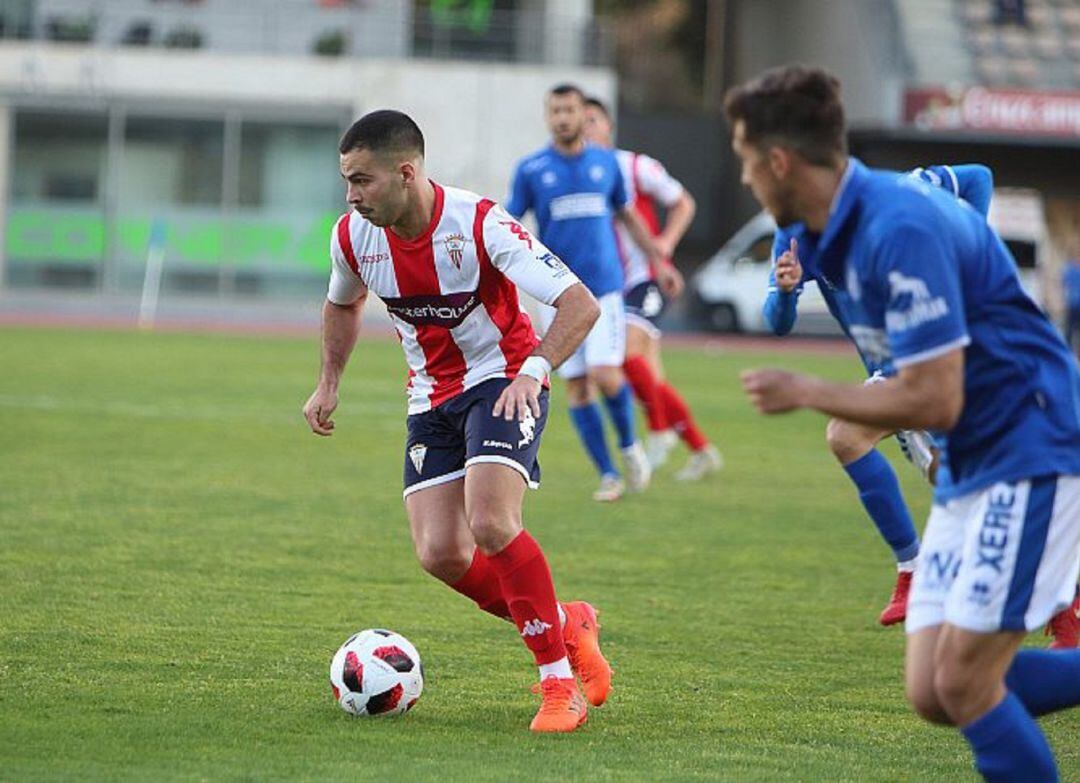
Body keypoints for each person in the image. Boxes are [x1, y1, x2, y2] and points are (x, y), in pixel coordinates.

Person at [729, 65, 1080, 781]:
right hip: (972, 459)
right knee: (931, 689)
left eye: (742, 158)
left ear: (778, 161)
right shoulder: (818, 232)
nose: (742, 178)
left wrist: (811, 390)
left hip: (1031, 444)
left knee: (966, 683)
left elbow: (936, 399)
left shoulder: (901, 222)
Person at [303, 109, 614, 733]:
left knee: (492, 521)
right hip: (429, 397)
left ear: (406, 173)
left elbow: (579, 304)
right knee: (441, 552)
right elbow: (343, 303)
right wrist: (328, 381)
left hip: (502, 382)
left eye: (362, 181)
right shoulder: (352, 237)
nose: (351, 196)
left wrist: (536, 369)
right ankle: (566, 620)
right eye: (347, 181)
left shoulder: (477, 224)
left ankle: (559, 685)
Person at [764, 164, 993, 627]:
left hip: (944, 357)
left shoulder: (893, 195)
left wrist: (971, 252)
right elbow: (777, 322)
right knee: (957, 480)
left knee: (850, 437)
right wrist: (787, 292)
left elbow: (979, 178)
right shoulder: (792, 234)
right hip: (897, 370)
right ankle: (926, 570)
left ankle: (920, 570)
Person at [506, 83, 674, 502]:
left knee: (606, 375)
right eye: (556, 110)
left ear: (585, 115)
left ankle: (630, 446)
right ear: (548, 117)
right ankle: (608, 474)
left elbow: (629, 217)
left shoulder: (606, 164)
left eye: (570, 110)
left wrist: (660, 261)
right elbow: (507, 222)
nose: (563, 117)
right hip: (557, 295)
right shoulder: (532, 169)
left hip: (604, 291)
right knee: (578, 386)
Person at [582, 96, 723, 481]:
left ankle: (659, 432)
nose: (586, 127)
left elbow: (683, 203)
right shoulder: (579, 174)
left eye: (592, 120)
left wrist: (666, 247)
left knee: (624, 357)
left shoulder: (633, 166)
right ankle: (701, 448)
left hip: (645, 277)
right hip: (610, 287)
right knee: (651, 378)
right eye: (582, 121)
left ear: (608, 125)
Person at [1062, 250, 1080, 359]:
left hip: (1071, 303)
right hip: (1077, 304)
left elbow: (1064, 284)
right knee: (1075, 329)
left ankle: (1067, 352)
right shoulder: (1077, 270)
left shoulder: (1068, 270)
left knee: (1069, 330)